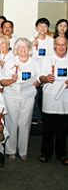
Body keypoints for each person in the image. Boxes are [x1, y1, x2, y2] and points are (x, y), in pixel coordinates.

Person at [0, 37, 40, 161]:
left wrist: (36, 83)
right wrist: (11, 80)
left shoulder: (34, 62)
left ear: (29, 49)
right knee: (12, 122)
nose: (23, 49)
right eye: (20, 47)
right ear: (16, 49)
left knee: (25, 122)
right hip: (11, 95)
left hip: (27, 95)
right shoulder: (10, 61)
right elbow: (2, 81)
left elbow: (39, 78)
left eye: (25, 47)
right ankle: (11, 150)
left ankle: (23, 151)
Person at [38, 36, 68, 165]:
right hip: (50, 98)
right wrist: (46, 78)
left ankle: (62, 154)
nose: (61, 47)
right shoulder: (47, 59)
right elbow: (40, 78)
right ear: (54, 45)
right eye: (59, 45)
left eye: (64, 45)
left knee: (63, 129)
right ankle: (46, 153)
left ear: (67, 45)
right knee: (48, 129)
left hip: (65, 100)